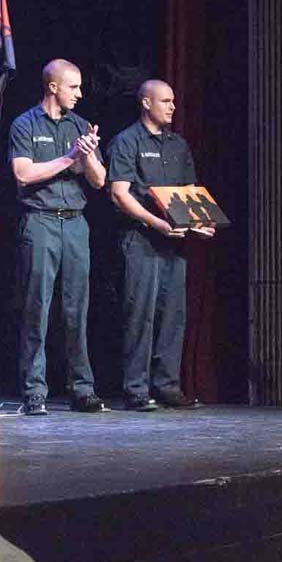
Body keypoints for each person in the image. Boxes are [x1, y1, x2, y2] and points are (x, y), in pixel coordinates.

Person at [107, 79, 215, 411]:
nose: (171, 107)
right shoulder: (127, 141)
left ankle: (167, 385)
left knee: (173, 315)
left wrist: (199, 221)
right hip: (141, 239)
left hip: (174, 242)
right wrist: (156, 223)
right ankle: (136, 389)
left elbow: (189, 192)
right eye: (165, 101)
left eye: (173, 101)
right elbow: (119, 193)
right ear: (146, 103)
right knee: (140, 315)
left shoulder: (178, 145)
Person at [8, 58, 106, 415]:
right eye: (73, 87)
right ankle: (35, 390)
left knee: (76, 308)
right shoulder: (25, 124)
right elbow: (23, 174)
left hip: (75, 223)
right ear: (53, 87)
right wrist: (69, 158)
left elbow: (98, 181)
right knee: (37, 307)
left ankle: (82, 388)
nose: (79, 94)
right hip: (40, 222)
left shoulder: (80, 126)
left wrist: (89, 154)